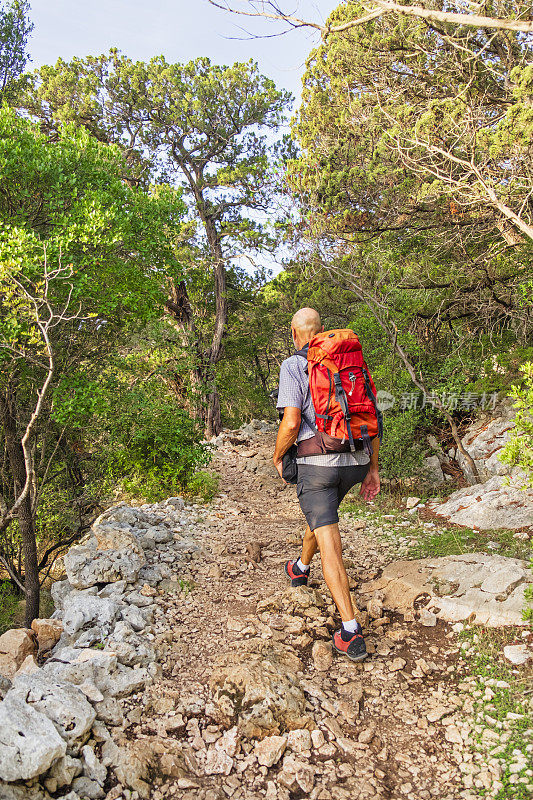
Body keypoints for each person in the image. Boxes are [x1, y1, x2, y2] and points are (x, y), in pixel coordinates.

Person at [272, 307, 381, 662]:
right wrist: (373, 469)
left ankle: (350, 631)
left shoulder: (292, 366)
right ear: (320, 331)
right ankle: (300, 568)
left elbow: (290, 423)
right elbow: (372, 417)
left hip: (318, 466)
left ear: (294, 333)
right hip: (357, 459)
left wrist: (277, 456)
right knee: (322, 518)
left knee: (329, 541)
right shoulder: (349, 363)